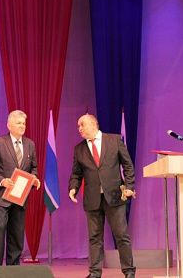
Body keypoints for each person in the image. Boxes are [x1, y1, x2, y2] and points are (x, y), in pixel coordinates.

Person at [68, 114, 136, 278]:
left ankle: (129, 271)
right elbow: (76, 173)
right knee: (94, 238)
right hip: (92, 199)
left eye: (82, 125)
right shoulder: (79, 149)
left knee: (121, 236)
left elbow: (127, 165)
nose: (79, 129)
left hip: (114, 196)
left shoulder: (114, 140)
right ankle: (94, 273)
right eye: (78, 126)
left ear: (93, 124)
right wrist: (73, 188)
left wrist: (129, 186)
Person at [0, 110, 41, 266]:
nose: (22, 126)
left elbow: (34, 168)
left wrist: (34, 178)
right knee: (0, 229)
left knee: (16, 233)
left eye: (24, 123)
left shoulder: (30, 144)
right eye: (18, 123)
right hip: (1, 196)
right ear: (9, 125)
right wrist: (2, 181)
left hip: (20, 196)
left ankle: (13, 268)